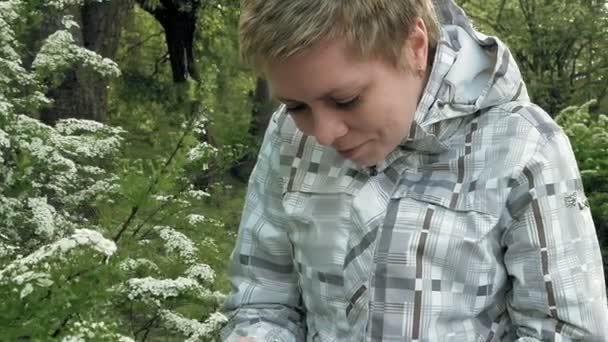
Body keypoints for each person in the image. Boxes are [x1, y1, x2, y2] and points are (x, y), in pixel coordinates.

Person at [221, 0, 608, 340]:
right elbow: (263, 300)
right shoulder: (288, 139)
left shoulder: (523, 146)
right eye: (296, 106)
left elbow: (566, 331)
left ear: (415, 46)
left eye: (347, 99)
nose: (323, 133)